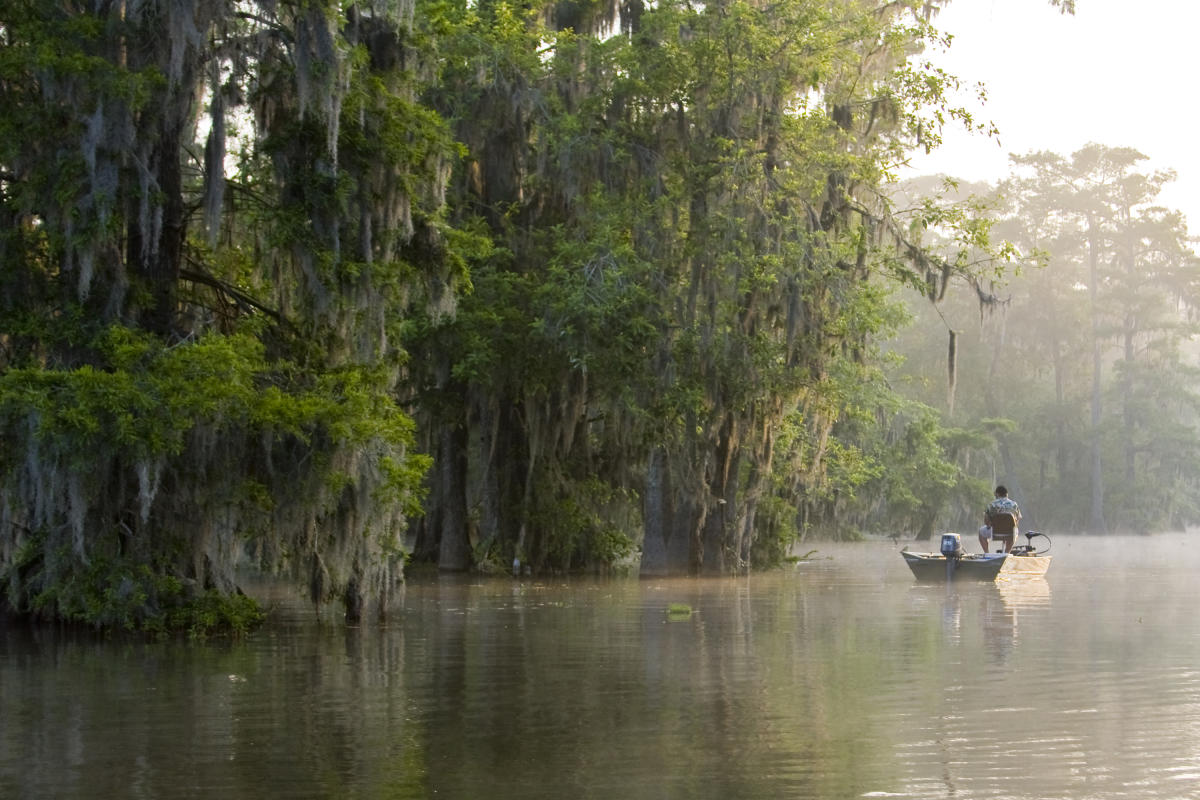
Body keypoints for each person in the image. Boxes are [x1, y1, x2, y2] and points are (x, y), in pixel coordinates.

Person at [983, 485, 1021, 553]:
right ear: (1006, 494)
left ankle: (987, 553)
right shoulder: (1014, 504)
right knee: (1016, 530)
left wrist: (989, 525)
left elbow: (986, 521)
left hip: (995, 532)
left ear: (997, 494)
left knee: (981, 532)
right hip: (1010, 533)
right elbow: (1017, 520)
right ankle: (1007, 553)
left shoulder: (991, 504)